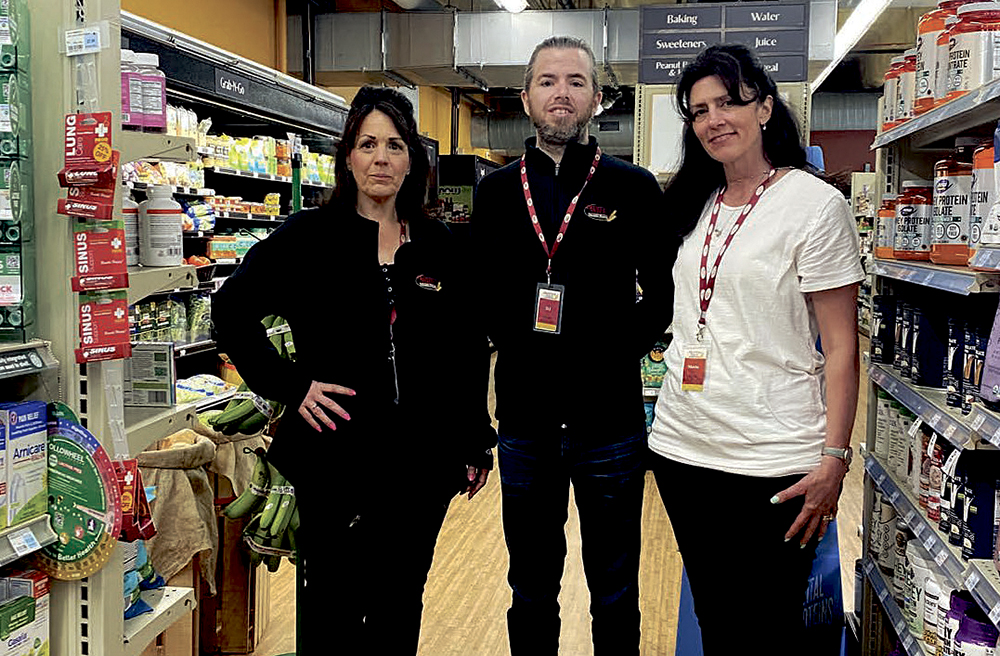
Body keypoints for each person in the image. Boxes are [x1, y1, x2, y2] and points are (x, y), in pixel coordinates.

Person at [212, 86, 496, 654]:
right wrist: (290, 386)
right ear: (348, 156)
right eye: (368, 144)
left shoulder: (440, 244)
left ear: (412, 158)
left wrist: (474, 442)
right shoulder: (307, 239)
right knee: (332, 610)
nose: (381, 158)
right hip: (334, 460)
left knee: (399, 604)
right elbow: (231, 310)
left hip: (422, 463)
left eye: (394, 145)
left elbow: (466, 351)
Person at [648, 44, 863, 655]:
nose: (713, 119)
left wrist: (835, 458)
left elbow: (843, 351)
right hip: (684, 448)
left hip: (773, 460)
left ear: (765, 107)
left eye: (728, 102)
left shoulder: (814, 206)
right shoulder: (695, 201)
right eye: (698, 110)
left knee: (768, 628)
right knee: (718, 619)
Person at [471, 36, 672, 655]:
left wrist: (612, 352)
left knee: (614, 588)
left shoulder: (632, 187)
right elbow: (483, 295)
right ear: (526, 98)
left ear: (598, 98)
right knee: (531, 586)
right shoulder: (498, 191)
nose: (563, 93)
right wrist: (521, 346)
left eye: (577, 82)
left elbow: (663, 298)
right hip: (526, 424)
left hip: (609, 424)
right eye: (549, 81)